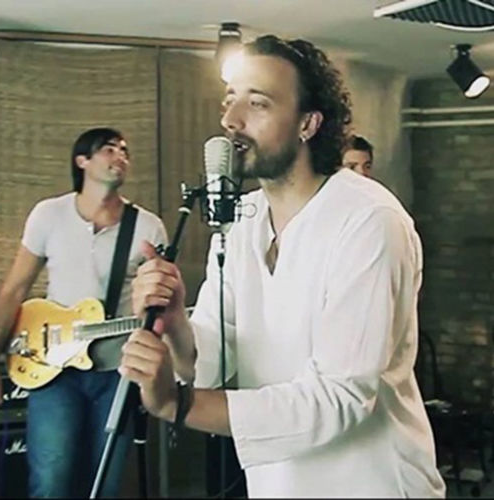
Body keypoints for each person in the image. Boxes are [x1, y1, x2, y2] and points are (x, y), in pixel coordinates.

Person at [120, 35, 446, 498]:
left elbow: (341, 396)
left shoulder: (369, 221)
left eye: (258, 103)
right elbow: (216, 354)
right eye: (230, 100)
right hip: (278, 483)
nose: (231, 121)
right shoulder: (244, 220)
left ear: (308, 123)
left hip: (371, 483)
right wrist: (176, 326)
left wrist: (179, 405)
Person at [0, 127, 168, 498]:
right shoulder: (49, 215)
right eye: (109, 149)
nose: (120, 156)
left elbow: (161, 304)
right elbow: (13, 290)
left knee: (105, 483)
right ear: (82, 161)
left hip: (118, 373)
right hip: (54, 370)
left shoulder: (147, 227)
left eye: (125, 150)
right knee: (50, 480)